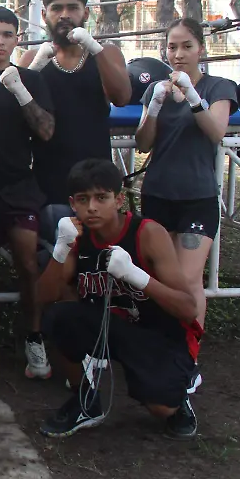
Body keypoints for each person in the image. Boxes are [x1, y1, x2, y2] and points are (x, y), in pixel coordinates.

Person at [37, 159, 200, 440]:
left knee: (162, 408)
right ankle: (85, 401)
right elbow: (43, 298)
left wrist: (138, 277)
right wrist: (61, 249)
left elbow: (188, 309)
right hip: (107, 327)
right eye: (83, 199)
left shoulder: (148, 233)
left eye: (101, 198)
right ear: (72, 203)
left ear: (119, 199)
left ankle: (179, 393)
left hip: (157, 335)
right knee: (58, 318)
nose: (91, 207)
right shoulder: (76, 236)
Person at [0, 7, 56, 379]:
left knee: (27, 262)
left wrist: (18, 90)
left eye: (6, 34)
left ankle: (34, 338)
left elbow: (47, 131)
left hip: (19, 185)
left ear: (17, 39)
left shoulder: (31, 79)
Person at [135, 18, 237, 333]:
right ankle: (163, 348)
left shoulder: (218, 87)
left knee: (190, 278)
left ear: (200, 49)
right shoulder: (156, 88)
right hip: (158, 193)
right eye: (172, 46)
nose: (178, 54)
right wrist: (153, 108)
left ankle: (189, 354)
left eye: (186, 46)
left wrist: (193, 97)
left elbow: (216, 132)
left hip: (197, 196)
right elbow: (142, 143)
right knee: (161, 276)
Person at [17, 0, 130, 206]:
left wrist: (95, 49)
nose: (64, 14)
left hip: (96, 174)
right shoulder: (31, 58)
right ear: (44, 15)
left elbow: (122, 98)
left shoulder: (107, 53)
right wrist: (33, 70)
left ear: (85, 13)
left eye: (72, 7)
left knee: (97, 241)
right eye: (56, 8)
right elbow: (17, 117)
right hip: (48, 173)